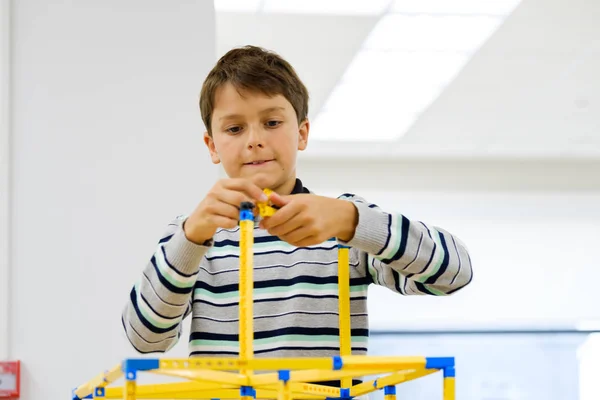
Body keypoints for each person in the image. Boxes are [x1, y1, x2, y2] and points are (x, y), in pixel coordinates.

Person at [121, 46, 473, 367]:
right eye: (234, 128)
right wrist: (190, 239)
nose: (255, 140)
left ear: (301, 133)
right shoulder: (192, 236)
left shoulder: (342, 224)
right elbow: (145, 339)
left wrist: (352, 221)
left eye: (272, 123)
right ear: (212, 145)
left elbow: (453, 274)